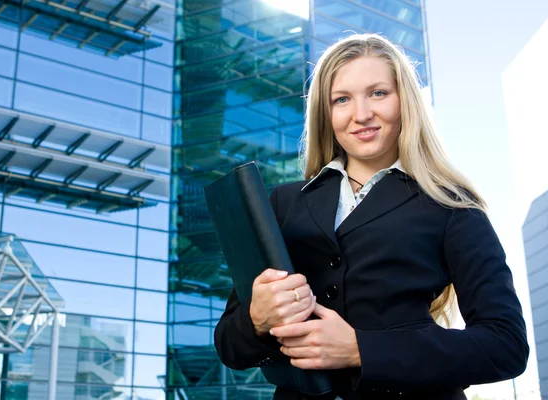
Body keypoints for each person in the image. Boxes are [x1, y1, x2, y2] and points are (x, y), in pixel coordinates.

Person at [213, 33, 529, 400]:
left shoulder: (452, 205)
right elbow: (228, 347)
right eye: (342, 99)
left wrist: (362, 350)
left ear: (404, 100)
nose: (361, 114)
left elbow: (506, 345)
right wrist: (257, 319)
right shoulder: (282, 203)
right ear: (326, 114)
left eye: (378, 93)